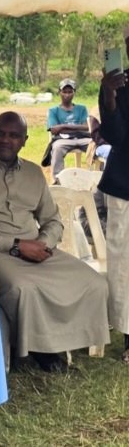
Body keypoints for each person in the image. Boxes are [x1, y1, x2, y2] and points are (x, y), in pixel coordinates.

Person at [0, 112, 109, 372]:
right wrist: (16, 245)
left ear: (24, 140)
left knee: (92, 282)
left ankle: (67, 341)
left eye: (13, 135)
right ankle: (41, 349)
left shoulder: (34, 173)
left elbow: (53, 221)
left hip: (36, 248)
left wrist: (43, 243)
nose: (5, 140)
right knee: (23, 288)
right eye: (0, 133)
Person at [99, 58, 129, 360]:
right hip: (126, 186)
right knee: (125, 265)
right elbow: (116, 136)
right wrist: (109, 96)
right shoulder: (117, 85)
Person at [43, 79, 92, 181]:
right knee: (57, 148)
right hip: (62, 140)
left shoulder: (81, 109)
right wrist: (78, 128)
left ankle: (99, 178)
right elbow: (54, 130)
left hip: (83, 139)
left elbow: (87, 127)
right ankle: (57, 180)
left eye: (70, 92)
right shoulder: (53, 111)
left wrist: (62, 127)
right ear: (59, 92)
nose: (67, 95)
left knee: (95, 146)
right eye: (64, 92)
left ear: (74, 92)